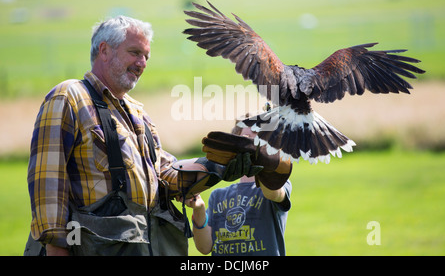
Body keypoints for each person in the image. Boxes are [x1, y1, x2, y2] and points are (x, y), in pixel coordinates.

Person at [24, 16, 260, 256]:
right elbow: (48, 185)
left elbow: (166, 176)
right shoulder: (69, 97)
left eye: (146, 56)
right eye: (135, 52)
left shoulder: (138, 113)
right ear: (104, 50)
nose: (142, 63)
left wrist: (219, 165)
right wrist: (55, 248)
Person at [183, 126, 292, 256]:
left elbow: (274, 193)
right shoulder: (217, 196)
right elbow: (205, 247)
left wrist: (263, 162)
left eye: (259, 135)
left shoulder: (275, 185)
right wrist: (199, 209)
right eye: (246, 138)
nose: (253, 140)